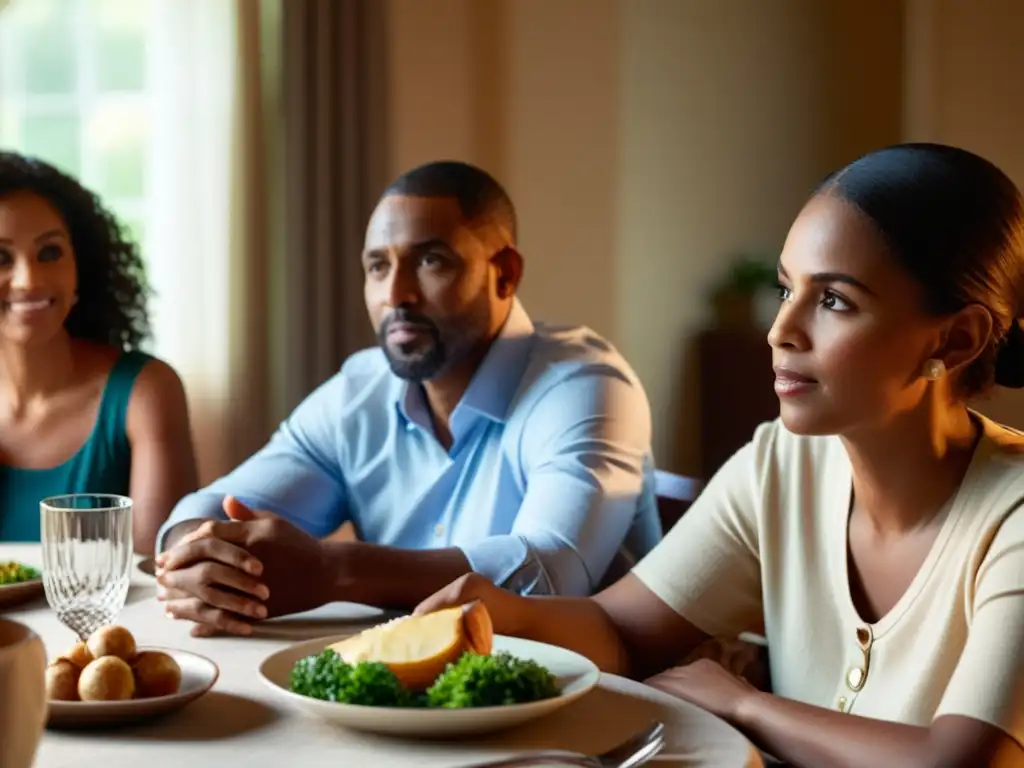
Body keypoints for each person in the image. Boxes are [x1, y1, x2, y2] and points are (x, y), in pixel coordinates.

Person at [414, 144, 1024, 767]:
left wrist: (746, 704)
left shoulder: (1015, 518)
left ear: (957, 339)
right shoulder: (780, 465)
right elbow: (623, 631)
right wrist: (506, 612)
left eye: (835, 300)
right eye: (787, 289)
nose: (781, 330)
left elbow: (965, 762)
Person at [154, 160, 661, 636]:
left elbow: (551, 575)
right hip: (412, 694)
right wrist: (198, 558)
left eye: (431, 260)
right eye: (377, 266)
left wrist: (336, 570)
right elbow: (203, 509)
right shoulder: (358, 393)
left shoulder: (585, 387)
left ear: (503, 273)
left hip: (589, 694)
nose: (396, 294)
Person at [0, 152, 198, 554]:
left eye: (50, 253)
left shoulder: (145, 392)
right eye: (1, 258)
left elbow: (155, 576)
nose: (29, 280)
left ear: (81, 267)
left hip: (118, 619)